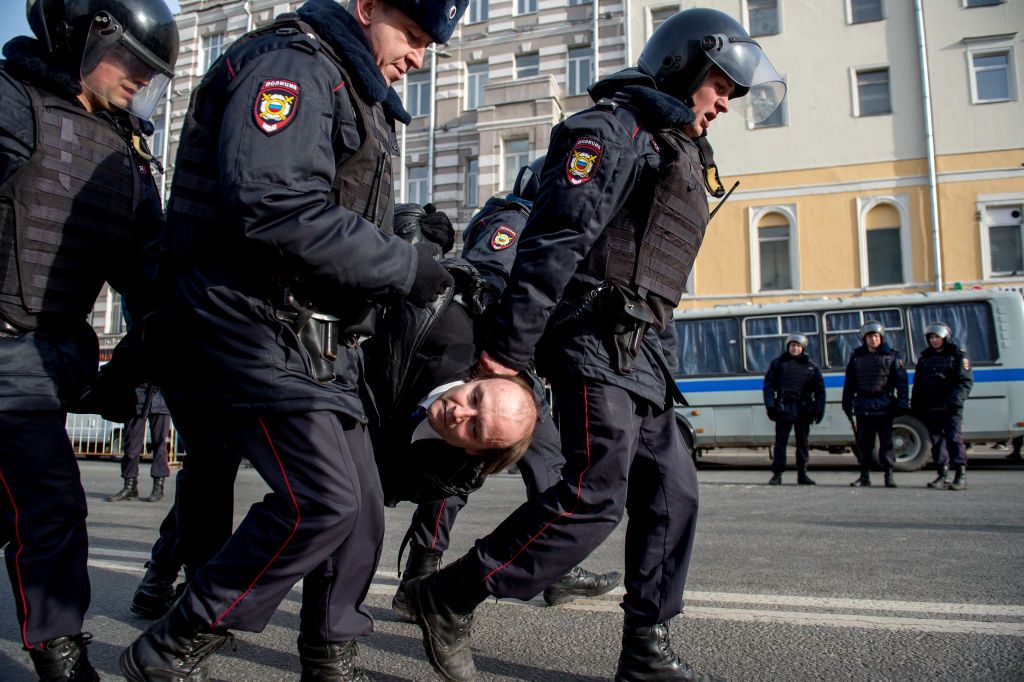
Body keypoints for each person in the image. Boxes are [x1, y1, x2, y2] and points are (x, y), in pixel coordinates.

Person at [404, 8, 786, 682]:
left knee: (674, 493)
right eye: (721, 86)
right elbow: (556, 243)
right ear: (685, 66)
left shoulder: (678, 146)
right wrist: (508, 354)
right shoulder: (614, 129)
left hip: (643, 351)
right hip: (589, 341)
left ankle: (645, 649)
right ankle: (449, 594)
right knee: (592, 494)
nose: (725, 103)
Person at [119, 0, 467, 679]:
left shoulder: (352, 85)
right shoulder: (292, 66)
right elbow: (273, 205)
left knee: (362, 508)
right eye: (415, 34)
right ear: (366, 7)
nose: (421, 57)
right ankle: (174, 642)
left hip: (312, 334)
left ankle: (328, 651)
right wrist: (403, 267)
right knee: (321, 498)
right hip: (248, 318)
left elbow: (329, 210)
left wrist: (390, 253)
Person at [0, 0, 177, 677]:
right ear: (82, 34)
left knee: (21, 509)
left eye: (150, 71)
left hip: (44, 361)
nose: (139, 80)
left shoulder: (126, 154)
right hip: (8, 354)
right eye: (131, 61)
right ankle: (61, 656)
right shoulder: (11, 104)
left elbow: (151, 278)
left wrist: (139, 361)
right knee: (50, 503)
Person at [386, 179, 621, 621]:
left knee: (550, 464)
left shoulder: (546, 222)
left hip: (519, 367)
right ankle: (420, 573)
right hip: (493, 361)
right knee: (455, 464)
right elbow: (487, 275)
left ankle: (556, 567)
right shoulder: (515, 217)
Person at [842, 321, 909, 488]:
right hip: (863, 405)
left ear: (881, 337)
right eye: (870, 336)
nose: (873, 339)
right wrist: (846, 403)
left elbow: (901, 382)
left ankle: (889, 475)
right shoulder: (856, 357)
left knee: (886, 443)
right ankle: (864, 476)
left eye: (876, 336)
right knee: (864, 444)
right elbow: (849, 383)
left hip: (884, 405)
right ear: (864, 339)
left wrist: (902, 402)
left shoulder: (892, 356)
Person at [911, 322, 973, 491]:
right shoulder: (925, 358)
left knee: (954, 439)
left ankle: (961, 475)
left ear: (945, 338)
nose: (934, 340)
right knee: (937, 442)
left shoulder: (958, 355)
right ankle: (942, 474)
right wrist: (916, 405)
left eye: (937, 337)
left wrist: (955, 401)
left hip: (951, 408)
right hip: (932, 407)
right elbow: (919, 385)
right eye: (931, 337)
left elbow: (965, 382)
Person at [763, 334, 825, 486]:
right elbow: (768, 386)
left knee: (802, 443)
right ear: (788, 347)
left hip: (803, 409)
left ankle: (802, 474)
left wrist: (819, 409)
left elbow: (820, 390)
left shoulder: (811, 366)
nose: (795, 348)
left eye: (797, 346)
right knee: (780, 444)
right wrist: (770, 406)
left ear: (802, 348)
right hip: (784, 408)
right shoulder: (778, 364)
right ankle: (777, 475)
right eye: (792, 345)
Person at [107, 384, 172, 502]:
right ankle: (130, 486)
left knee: (160, 445)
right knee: (131, 445)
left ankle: (158, 486)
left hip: (161, 397)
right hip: (137, 397)